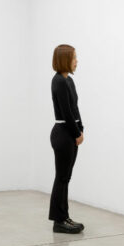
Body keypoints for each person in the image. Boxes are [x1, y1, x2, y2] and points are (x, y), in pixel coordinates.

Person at [49, 44, 85, 234]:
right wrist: (76, 133)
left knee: (66, 177)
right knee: (62, 178)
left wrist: (81, 129)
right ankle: (58, 220)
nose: (76, 61)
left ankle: (64, 216)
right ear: (65, 60)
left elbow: (75, 108)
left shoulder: (69, 81)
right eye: (74, 58)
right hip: (63, 134)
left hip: (70, 133)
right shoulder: (58, 82)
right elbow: (66, 113)